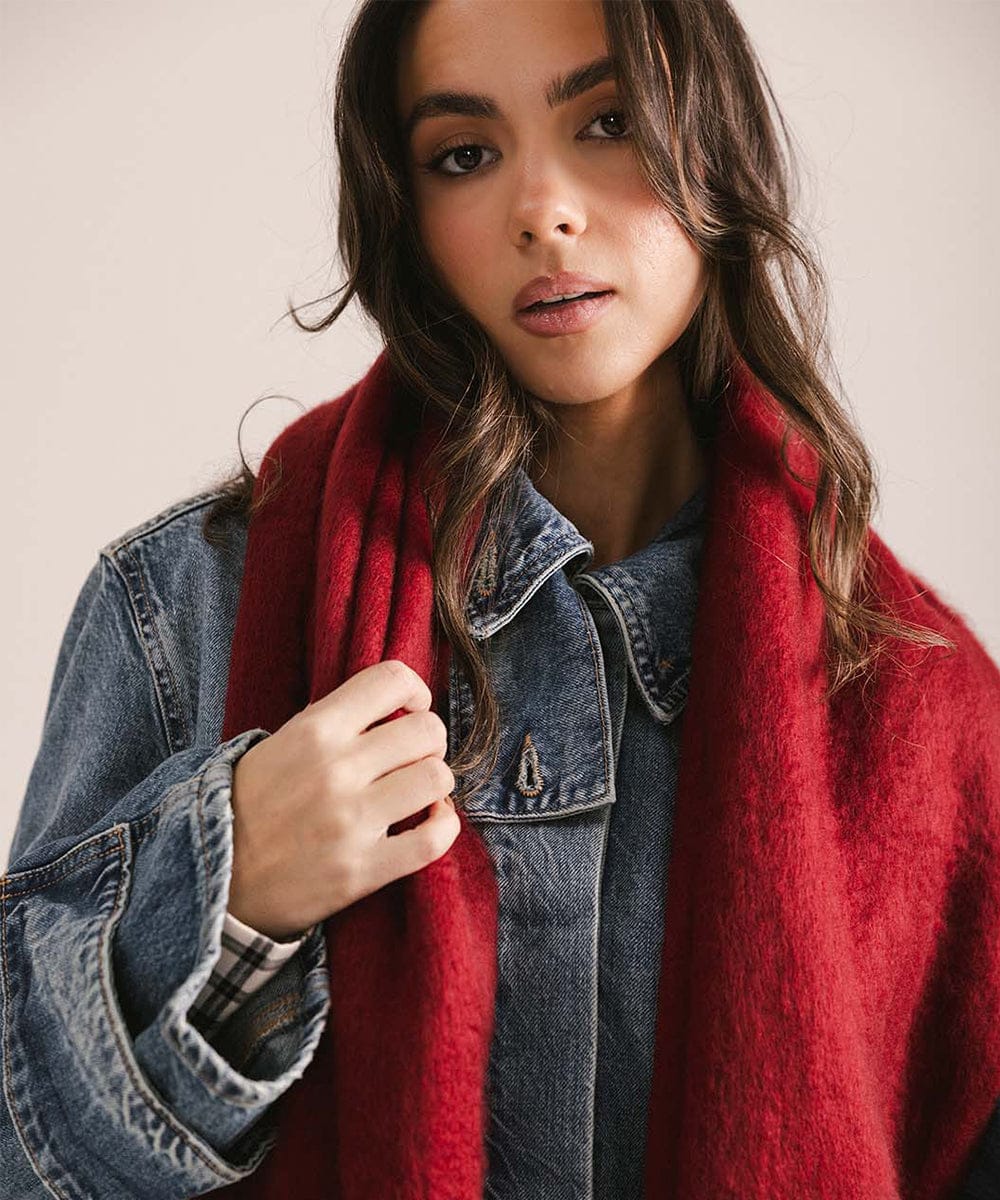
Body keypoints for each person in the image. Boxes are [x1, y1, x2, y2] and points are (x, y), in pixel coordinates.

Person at [3, 2, 999, 1198]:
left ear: (715, 141)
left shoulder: (917, 693)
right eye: (463, 155)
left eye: (610, 121)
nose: (544, 209)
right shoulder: (185, 605)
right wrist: (226, 891)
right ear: (406, 210)